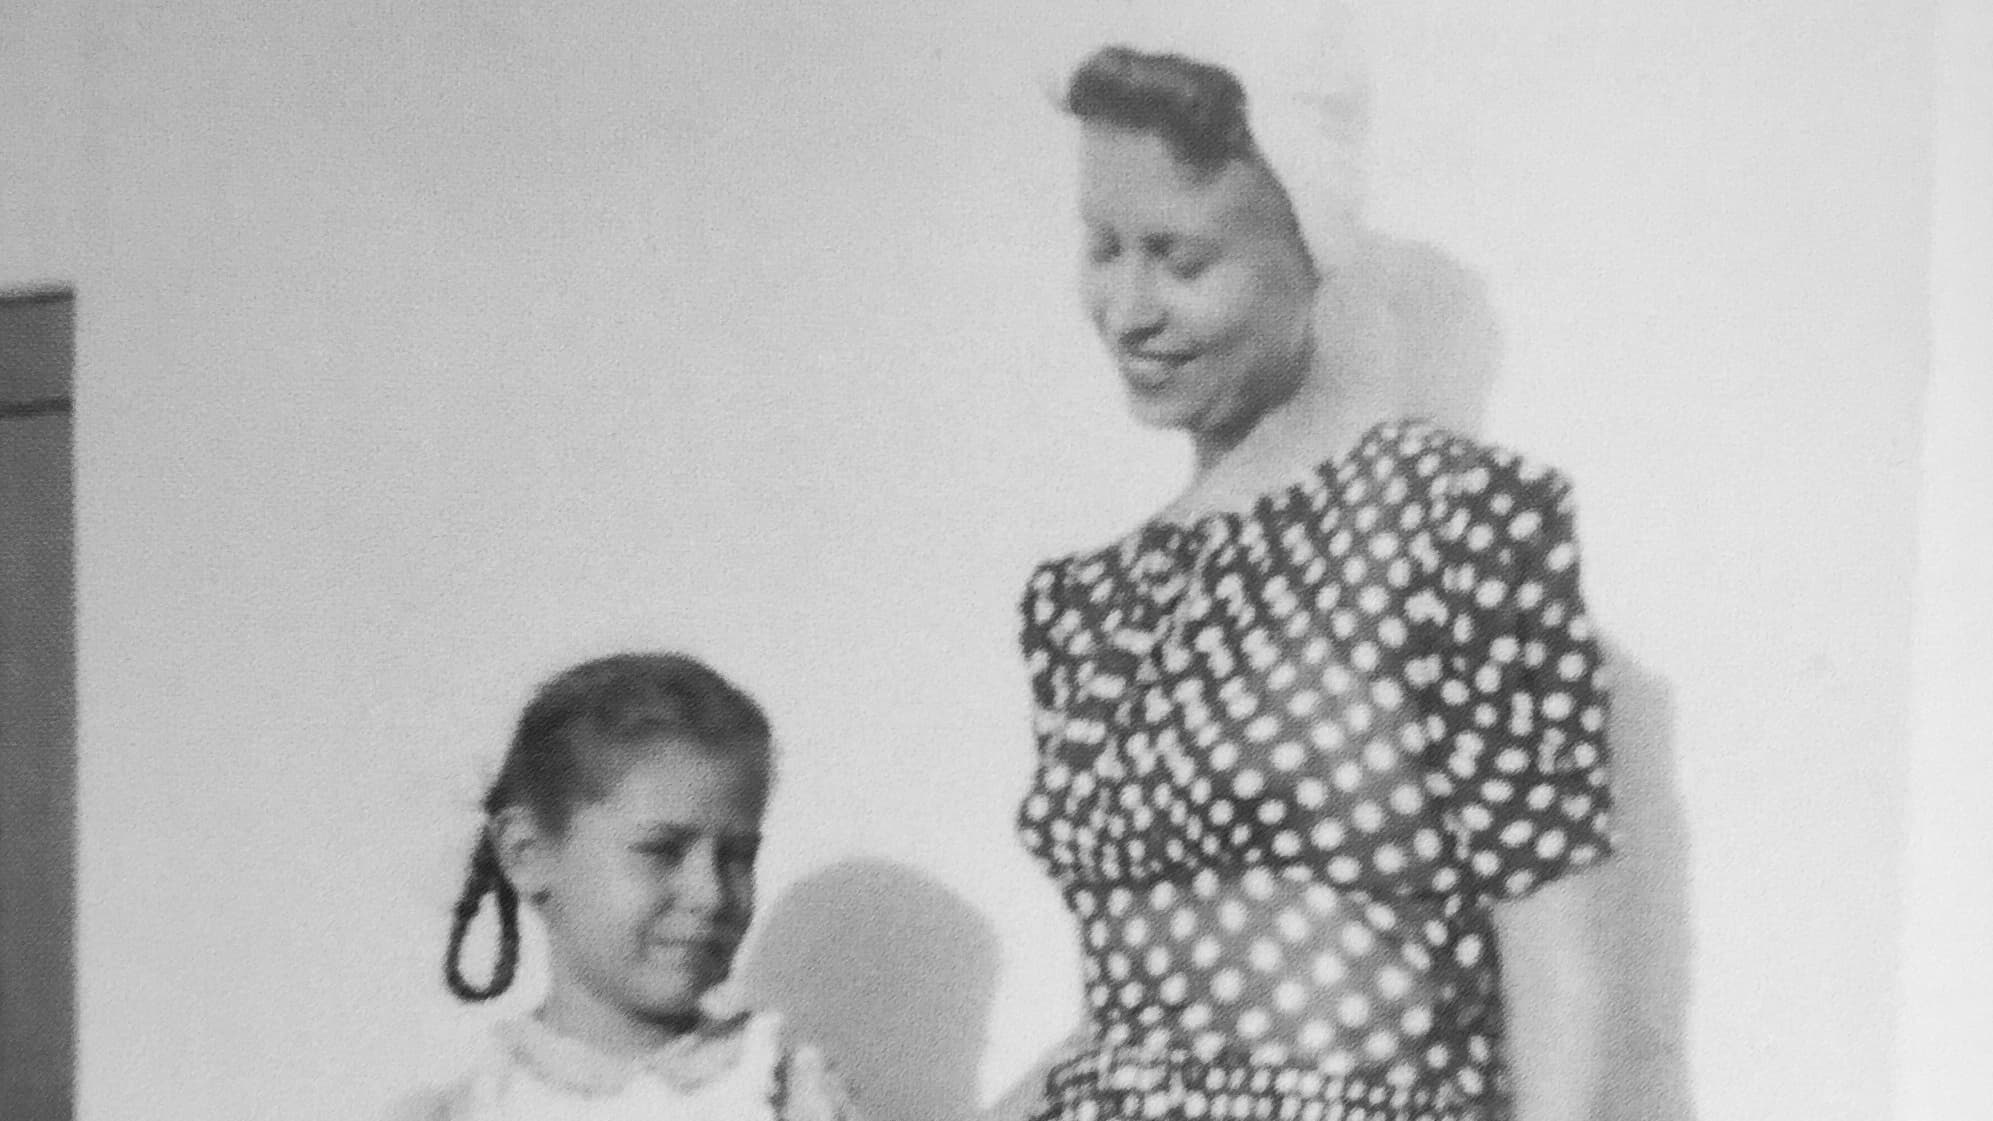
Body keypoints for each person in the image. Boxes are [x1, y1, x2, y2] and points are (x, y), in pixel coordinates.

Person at [1010, 5, 1615, 1120]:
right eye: (1102, 247)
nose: (1128, 309)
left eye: (1182, 259)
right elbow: (1136, 1018)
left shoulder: (1454, 526)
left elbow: (1554, 970)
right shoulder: (1085, 604)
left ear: (1310, 253)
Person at [390, 652, 863, 1121]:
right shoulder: (469, 1112)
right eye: (662, 850)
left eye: (737, 856)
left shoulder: (787, 1096)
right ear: (526, 853)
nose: (711, 893)